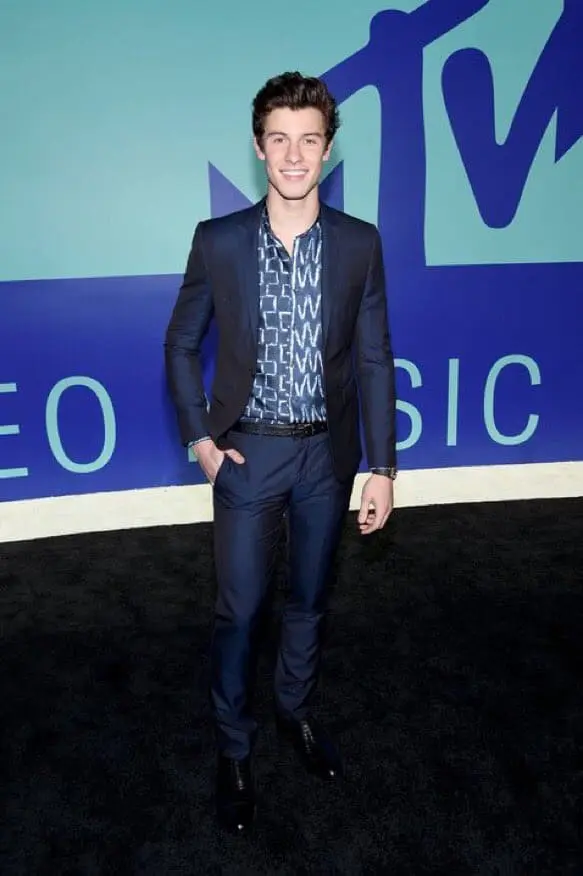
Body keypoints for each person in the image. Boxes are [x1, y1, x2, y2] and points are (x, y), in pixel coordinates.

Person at [164, 71, 397, 832]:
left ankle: (294, 711)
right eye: (279, 139)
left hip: (326, 459)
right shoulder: (219, 241)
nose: (294, 155)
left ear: (327, 151)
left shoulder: (359, 243)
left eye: (309, 140)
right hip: (247, 455)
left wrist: (382, 467)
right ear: (259, 148)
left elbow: (373, 358)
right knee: (239, 611)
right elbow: (180, 342)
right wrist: (202, 440)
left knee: (308, 600)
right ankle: (233, 747)